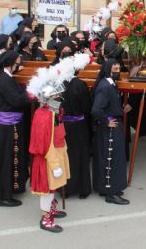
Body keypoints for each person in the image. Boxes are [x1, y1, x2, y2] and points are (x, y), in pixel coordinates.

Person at [0, 51, 30, 207]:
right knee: (4, 159)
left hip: (4, 126)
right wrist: (29, 95)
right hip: (4, 127)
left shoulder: (2, 77)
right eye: (17, 63)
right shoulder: (3, 80)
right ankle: (2, 196)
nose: (18, 66)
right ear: (10, 63)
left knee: (8, 158)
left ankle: (10, 189)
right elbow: (16, 100)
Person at [29, 92, 69, 233]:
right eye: (56, 95)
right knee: (48, 189)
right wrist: (54, 164)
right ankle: (46, 220)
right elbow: (44, 144)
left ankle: (51, 209)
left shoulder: (54, 113)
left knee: (53, 188)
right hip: (48, 158)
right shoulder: (44, 116)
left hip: (56, 154)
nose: (60, 97)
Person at [91, 59, 130, 205]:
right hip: (109, 129)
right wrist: (106, 121)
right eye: (114, 70)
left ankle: (106, 187)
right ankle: (111, 193)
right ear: (108, 70)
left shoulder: (110, 85)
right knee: (111, 160)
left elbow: (109, 105)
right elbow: (96, 110)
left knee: (112, 158)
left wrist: (121, 110)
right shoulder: (105, 86)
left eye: (118, 69)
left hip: (112, 126)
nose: (117, 72)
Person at [60, 47, 93, 198]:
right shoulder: (80, 85)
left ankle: (65, 189)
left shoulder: (59, 84)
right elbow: (86, 107)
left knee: (66, 156)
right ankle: (82, 189)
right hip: (79, 126)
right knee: (80, 156)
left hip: (64, 126)